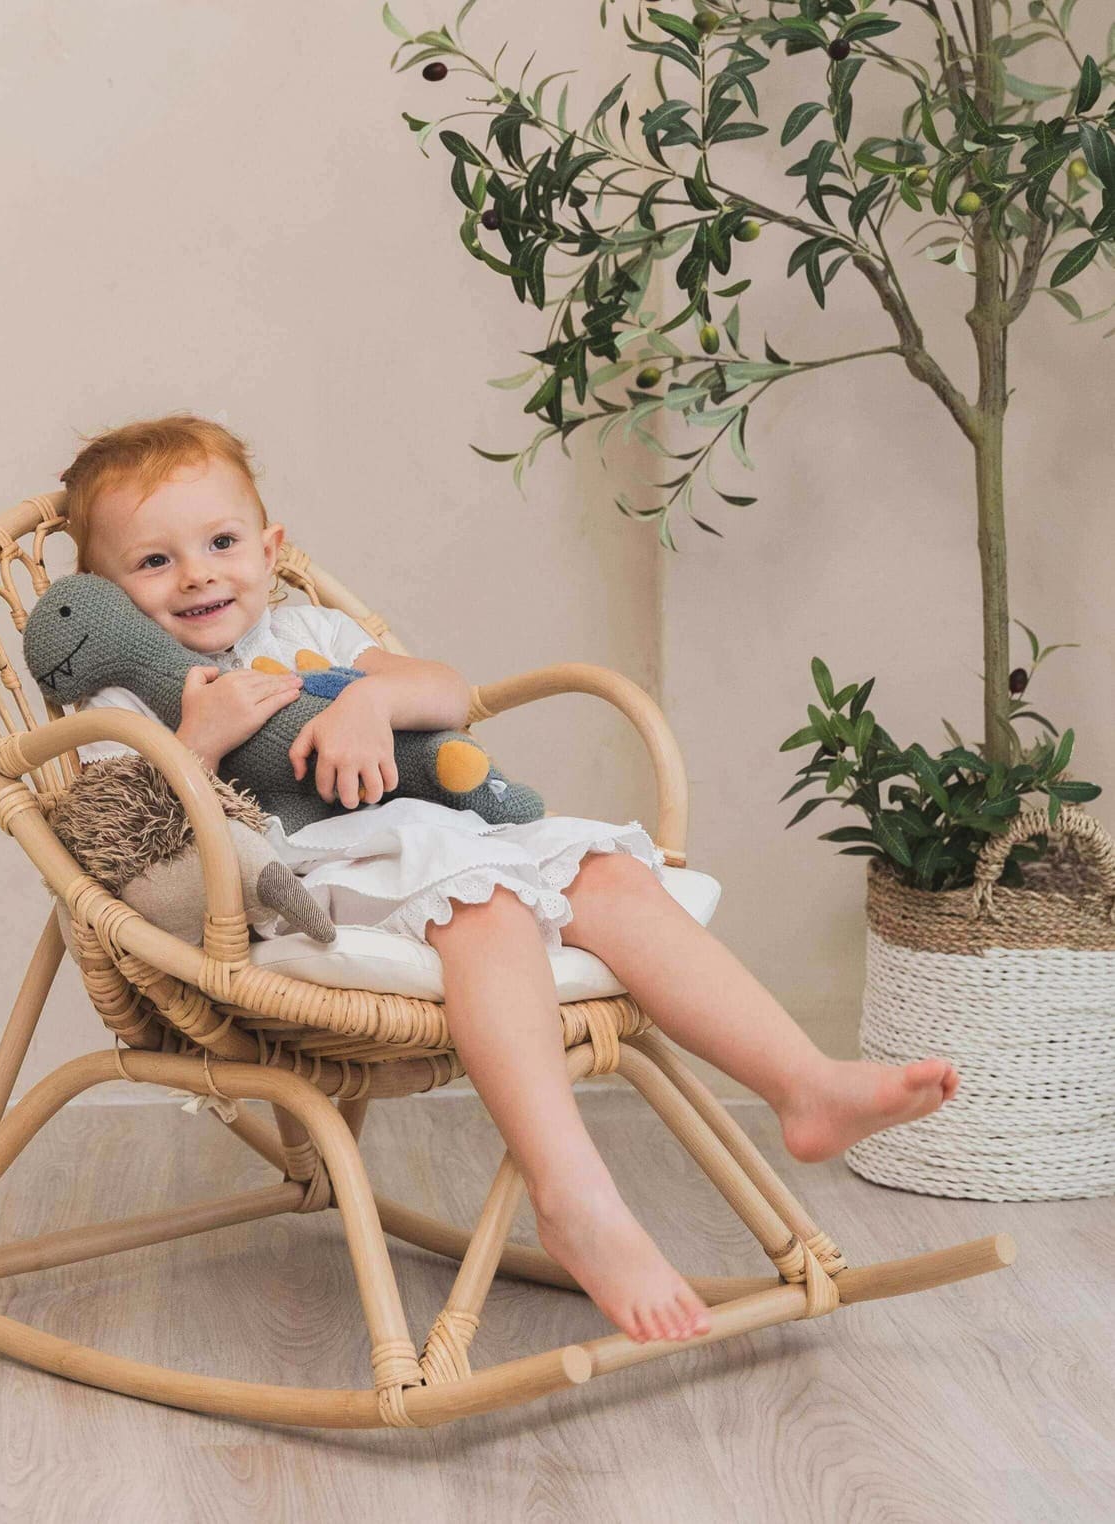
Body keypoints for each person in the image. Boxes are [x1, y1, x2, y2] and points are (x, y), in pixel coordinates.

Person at [55, 412, 961, 1346]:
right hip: (310, 879)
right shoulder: (129, 695)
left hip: (438, 830)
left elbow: (447, 691)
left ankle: (803, 1085)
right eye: (154, 562)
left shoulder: (311, 628)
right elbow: (125, 833)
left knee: (605, 871)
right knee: (484, 904)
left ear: (272, 548)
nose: (199, 573)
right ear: (106, 595)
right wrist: (198, 742)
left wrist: (369, 700)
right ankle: (573, 1198)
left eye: (221, 542)